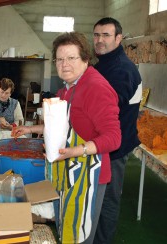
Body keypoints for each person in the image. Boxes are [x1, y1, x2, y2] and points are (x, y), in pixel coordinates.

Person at [12, 32, 121, 243]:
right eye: (60, 59)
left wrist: (75, 151)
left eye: (71, 58)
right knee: (66, 229)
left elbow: (113, 137)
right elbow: (62, 126)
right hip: (69, 172)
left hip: (89, 177)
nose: (65, 64)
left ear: (86, 59)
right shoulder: (67, 89)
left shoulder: (96, 88)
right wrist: (30, 129)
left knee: (80, 235)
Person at [93, 17, 142, 244]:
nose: (100, 40)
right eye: (96, 35)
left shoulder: (123, 69)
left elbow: (109, 104)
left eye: (106, 35)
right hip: (100, 144)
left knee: (107, 202)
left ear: (118, 38)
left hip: (114, 149)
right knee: (98, 199)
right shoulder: (102, 64)